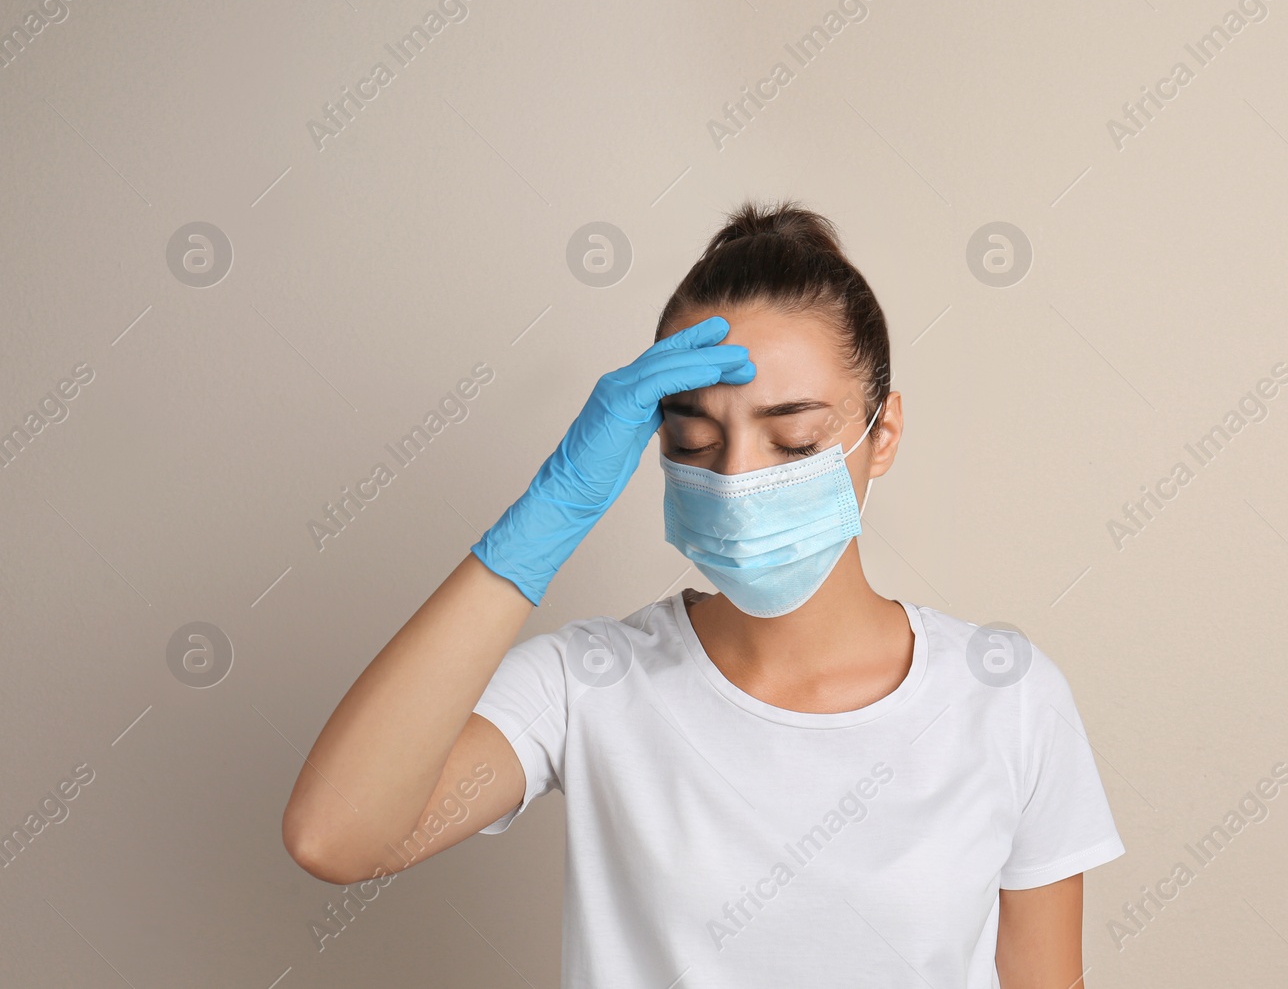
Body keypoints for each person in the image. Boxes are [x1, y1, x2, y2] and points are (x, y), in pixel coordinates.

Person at [281, 200, 1124, 987]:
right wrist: (549, 515)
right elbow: (337, 835)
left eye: (793, 439)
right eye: (695, 437)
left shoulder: (1005, 697)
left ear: (884, 433)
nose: (738, 478)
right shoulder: (590, 683)